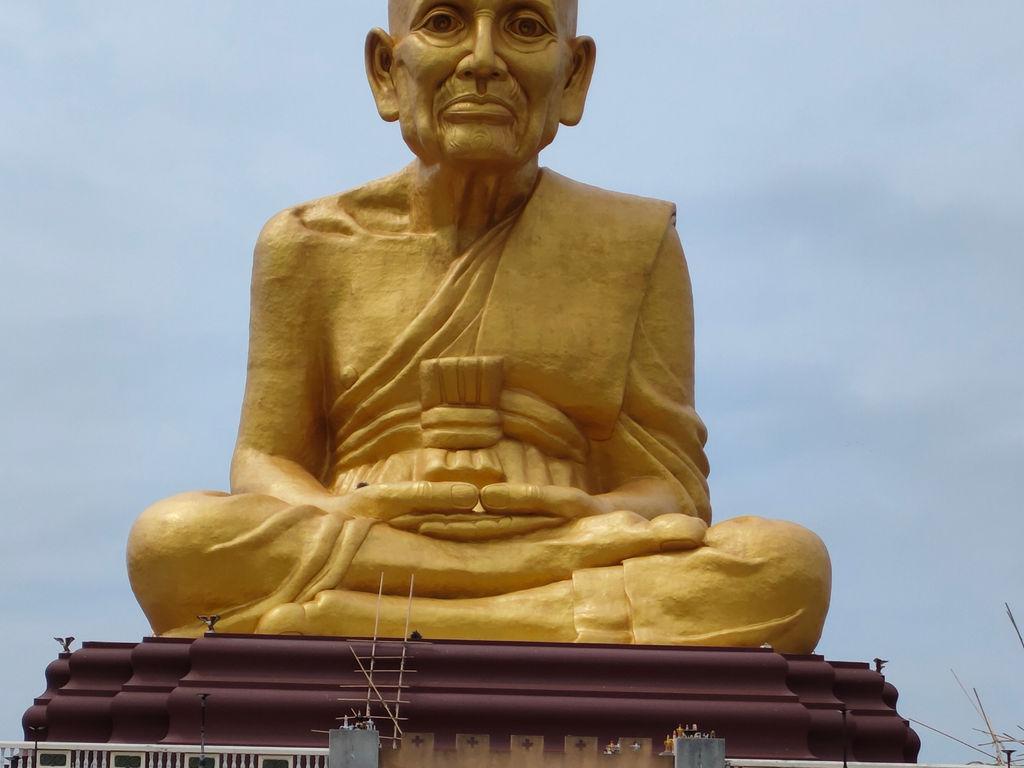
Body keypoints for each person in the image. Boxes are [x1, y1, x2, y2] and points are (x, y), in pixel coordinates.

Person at [127, 0, 831, 652]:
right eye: (443, 23)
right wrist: (342, 511)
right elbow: (261, 461)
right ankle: (540, 625)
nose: (483, 59)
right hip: (371, 533)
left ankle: (372, 625)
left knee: (785, 563)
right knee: (173, 539)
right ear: (385, 69)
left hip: (556, 539)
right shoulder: (308, 244)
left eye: (525, 27)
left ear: (573, 74)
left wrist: (579, 512)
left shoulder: (631, 240)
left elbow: (672, 487)